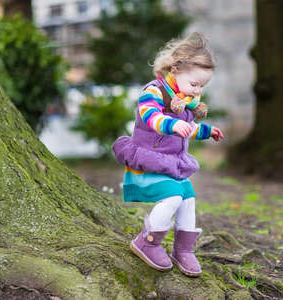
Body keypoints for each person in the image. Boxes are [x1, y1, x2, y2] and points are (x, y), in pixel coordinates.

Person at [112, 32, 224, 277]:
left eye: (202, 86)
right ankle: (147, 241)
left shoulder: (184, 100)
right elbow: (150, 115)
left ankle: (183, 250)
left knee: (188, 199)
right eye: (194, 84)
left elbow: (187, 128)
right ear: (175, 69)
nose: (197, 91)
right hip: (149, 161)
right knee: (173, 197)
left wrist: (206, 131)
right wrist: (170, 125)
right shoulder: (154, 91)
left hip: (173, 164)